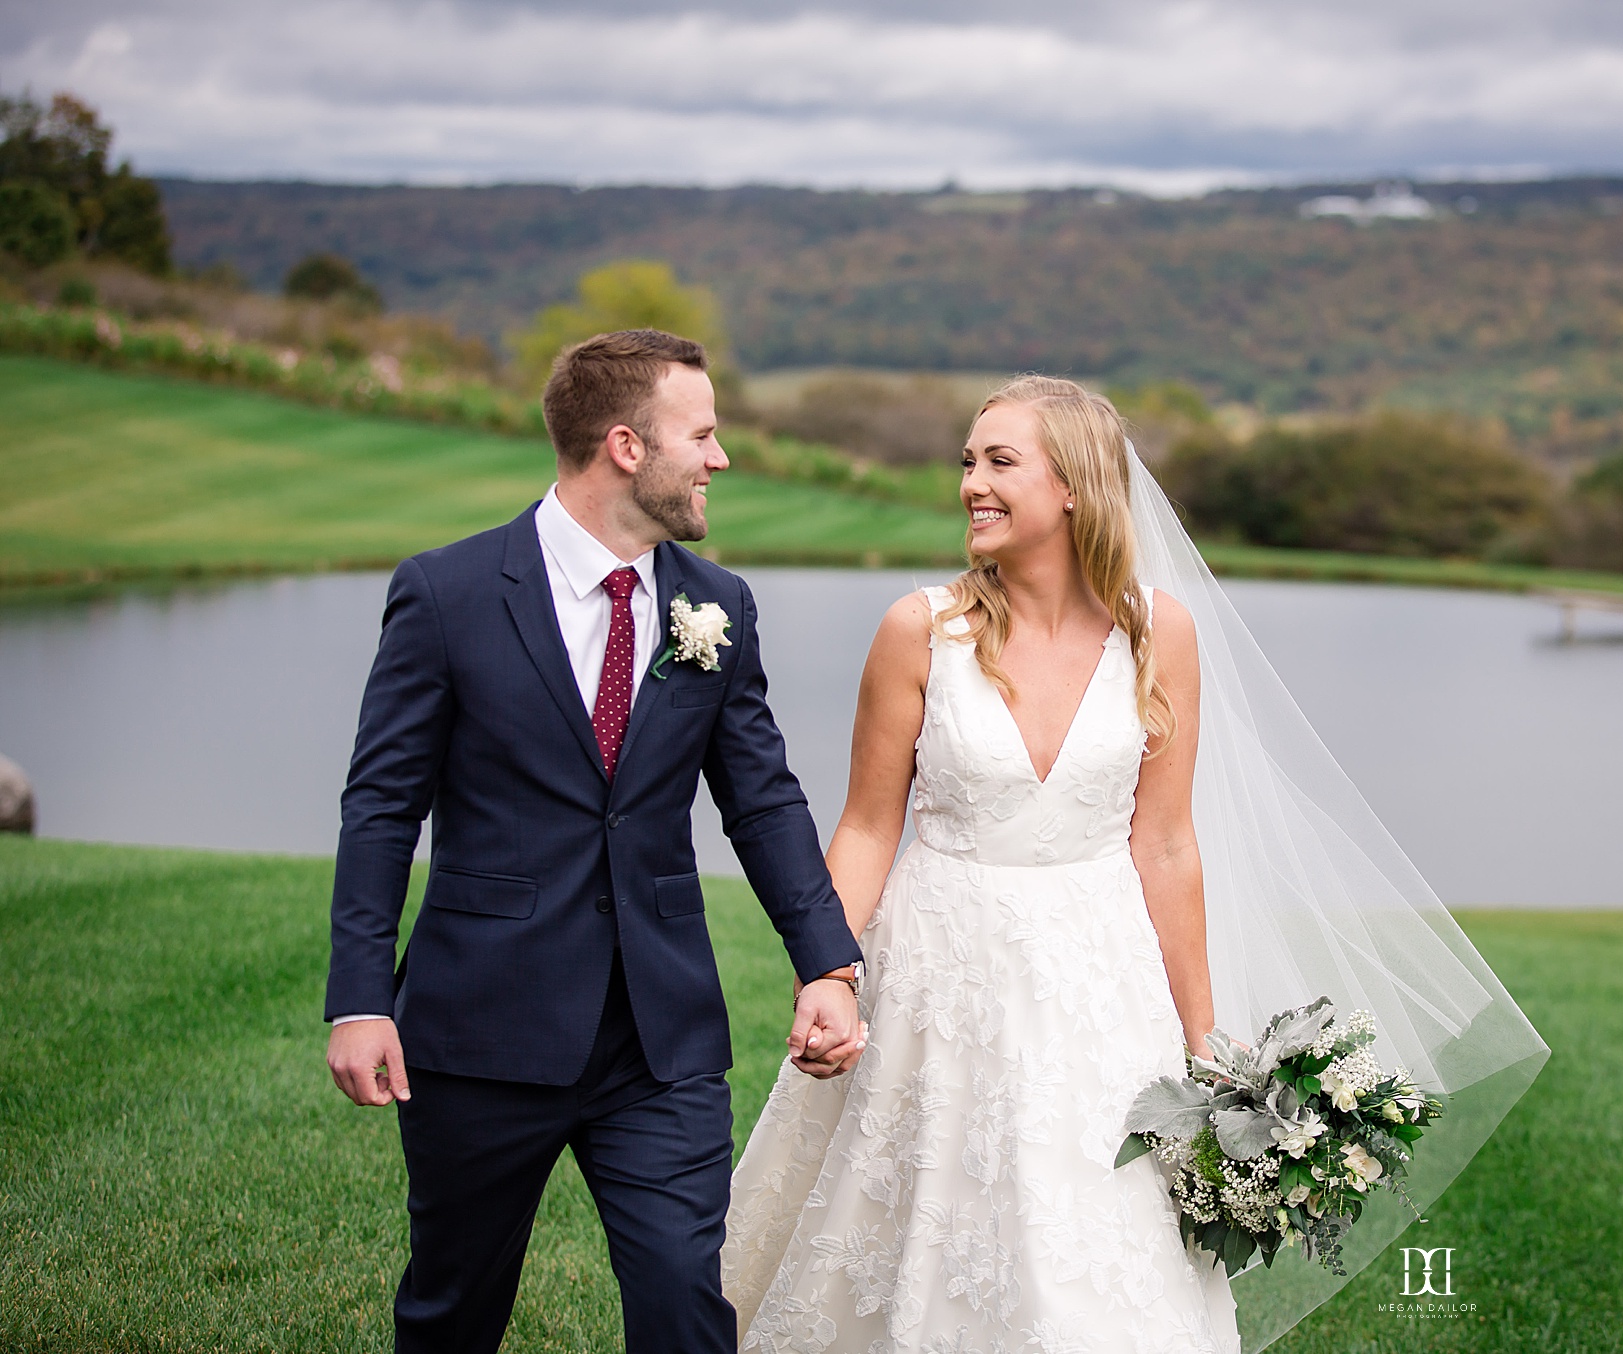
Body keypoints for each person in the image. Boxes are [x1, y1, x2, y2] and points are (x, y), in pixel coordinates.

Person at [323, 329, 867, 1354]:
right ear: (625, 445)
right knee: (452, 1309)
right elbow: (382, 804)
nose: (720, 458)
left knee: (681, 1303)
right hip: (481, 1028)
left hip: (660, 1043)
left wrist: (826, 965)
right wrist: (359, 995)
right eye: (700, 434)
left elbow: (761, 799)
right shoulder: (446, 594)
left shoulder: (718, 606)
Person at [723, 376, 1241, 1352]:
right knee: (920, 1227)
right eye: (968, 460)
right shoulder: (919, 629)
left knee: (1094, 1235)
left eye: (999, 460)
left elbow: (1165, 841)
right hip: (937, 972)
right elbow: (870, 827)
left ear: (1077, 486)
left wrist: (1201, 1035)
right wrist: (826, 974)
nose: (971, 482)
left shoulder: (1158, 633)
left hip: (1098, 981)